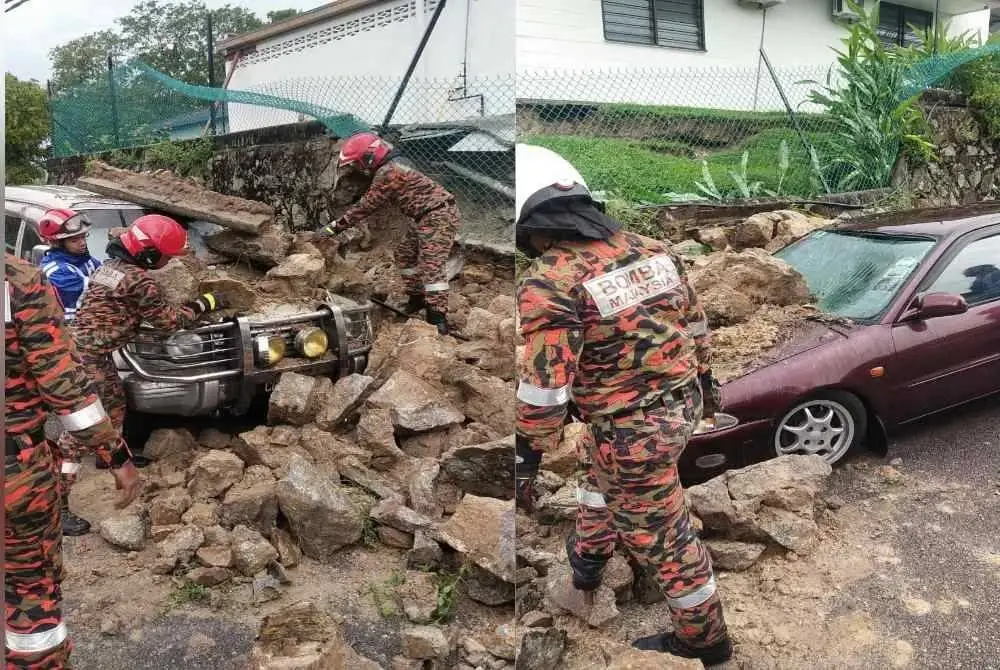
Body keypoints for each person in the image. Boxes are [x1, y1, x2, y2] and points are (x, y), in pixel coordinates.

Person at [512, 144, 733, 665]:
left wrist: (527, 456)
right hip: (677, 406)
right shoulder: (654, 249)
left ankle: (707, 642)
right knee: (596, 467)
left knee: (668, 541)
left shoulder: (552, 279)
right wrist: (706, 385)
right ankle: (590, 557)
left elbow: (545, 388)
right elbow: (695, 324)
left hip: (632, 432)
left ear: (531, 225)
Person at [5, 251, 141, 668]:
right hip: (15, 473)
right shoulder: (17, 280)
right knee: (30, 592)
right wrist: (116, 455)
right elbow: (65, 388)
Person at [58, 214, 226, 478]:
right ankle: (60, 486)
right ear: (148, 254)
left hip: (87, 352)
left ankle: (111, 456)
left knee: (113, 402)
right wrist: (204, 304)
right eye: (166, 256)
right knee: (84, 421)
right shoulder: (139, 281)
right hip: (86, 357)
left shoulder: (109, 267)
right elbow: (169, 323)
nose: (169, 261)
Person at [315, 130, 460, 335]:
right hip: (423, 216)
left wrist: (332, 228)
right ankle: (417, 297)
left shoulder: (390, 172)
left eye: (358, 163)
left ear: (369, 156)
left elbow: (366, 206)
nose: (358, 168)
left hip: (438, 214)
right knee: (404, 255)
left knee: (431, 266)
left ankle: (437, 318)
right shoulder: (390, 168)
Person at [36, 208, 109, 536]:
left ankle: (109, 453)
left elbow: (105, 275)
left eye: (81, 236)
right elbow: (88, 302)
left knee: (114, 400)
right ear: (56, 242)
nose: (82, 241)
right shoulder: (57, 273)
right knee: (78, 428)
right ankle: (59, 504)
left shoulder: (86, 263)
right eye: (73, 238)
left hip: (95, 351)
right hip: (72, 355)